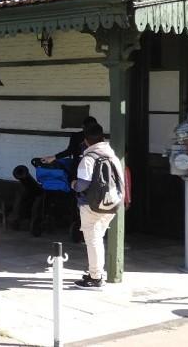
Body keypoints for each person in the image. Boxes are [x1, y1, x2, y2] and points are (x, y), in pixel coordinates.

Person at [72, 123, 124, 290]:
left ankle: (95, 277)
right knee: (98, 239)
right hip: (112, 203)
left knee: (92, 240)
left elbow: (82, 185)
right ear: (102, 137)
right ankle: (96, 272)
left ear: (86, 141)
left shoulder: (88, 158)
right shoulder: (113, 156)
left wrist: (73, 184)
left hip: (91, 206)